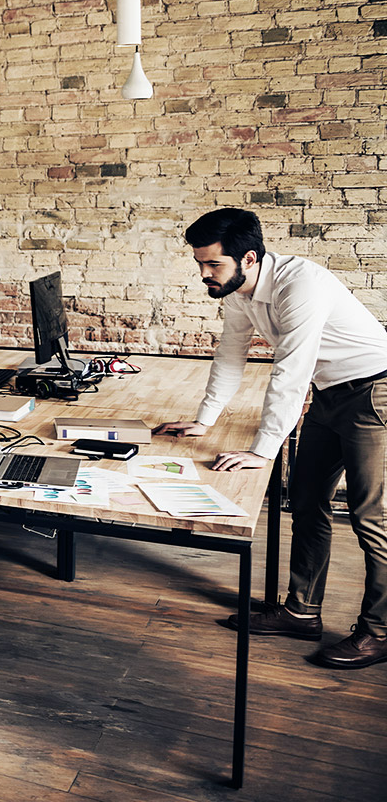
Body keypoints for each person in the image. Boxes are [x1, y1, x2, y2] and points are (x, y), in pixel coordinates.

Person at [154, 208, 387, 669]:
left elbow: (292, 369)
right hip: (329, 395)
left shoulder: (302, 284)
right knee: (305, 500)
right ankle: (301, 613)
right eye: (199, 264)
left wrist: (263, 450)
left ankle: (379, 632)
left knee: (371, 518)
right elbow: (230, 355)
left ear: (250, 257)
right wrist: (204, 420)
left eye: (212, 265)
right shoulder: (239, 292)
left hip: (374, 391)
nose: (204, 274)